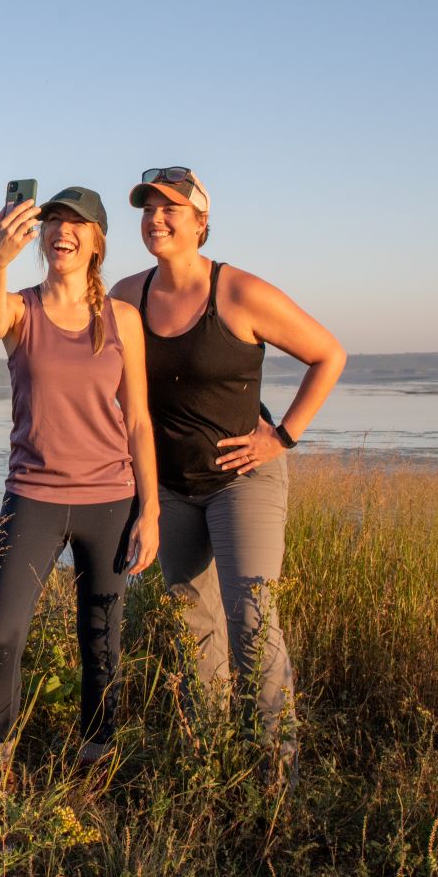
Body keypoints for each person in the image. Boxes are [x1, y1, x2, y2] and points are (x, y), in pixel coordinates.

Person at [109, 166, 345, 779]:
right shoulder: (125, 297)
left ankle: (276, 773)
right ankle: (210, 761)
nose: (156, 219)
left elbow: (328, 354)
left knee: (252, 620)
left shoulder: (238, 292)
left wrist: (283, 437)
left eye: (170, 209)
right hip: (170, 490)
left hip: (243, 480)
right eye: (147, 209)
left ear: (200, 222)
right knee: (194, 628)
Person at [0, 185, 159, 774]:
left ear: (97, 241)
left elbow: (137, 418)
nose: (63, 229)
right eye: (53, 219)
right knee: (2, 637)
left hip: (111, 500)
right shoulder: (20, 308)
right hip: (32, 497)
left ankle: (96, 760)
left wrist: (150, 510)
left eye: (77, 222)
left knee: (102, 640)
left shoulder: (122, 318)